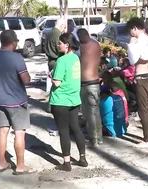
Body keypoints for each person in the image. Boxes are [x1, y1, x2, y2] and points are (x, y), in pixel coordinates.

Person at [0, 30, 33, 175]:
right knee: (19, 133)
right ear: (13, 42)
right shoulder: (16, 58)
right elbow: (26, 80)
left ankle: (2, 163)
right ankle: (20, 166)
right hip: (16, 101)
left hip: (0, 100)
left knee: (3, 131)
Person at [49, 33, 88, 171]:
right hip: (74, 99)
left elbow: (57, 83)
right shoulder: (75, 58)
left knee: (64, 131)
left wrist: (51, 76)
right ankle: (82, 158)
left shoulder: (62, 60)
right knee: (76, 128)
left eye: (60, 43)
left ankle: (66, 162)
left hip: (61, 101)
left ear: (67, 45)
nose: (58, 45)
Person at [126, 17, 148, 148]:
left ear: (134, 28)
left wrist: (130, 44)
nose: (130, 33)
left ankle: (147, 140)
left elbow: (133, 60)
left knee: (142, 108)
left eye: (130, 30)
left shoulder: (139, 41)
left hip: (141, 77)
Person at [77, 28, 103, 147]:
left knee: (89, 113)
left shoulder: (82, 46)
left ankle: (94, 139)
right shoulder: (96, 45)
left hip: (86, 83)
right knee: (95, 112)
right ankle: (99, 138)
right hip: (95, 82)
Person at [43, 18, 66, 93]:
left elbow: (44, 46)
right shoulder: (57, 34)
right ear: (61, 25)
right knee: (58, 86)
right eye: (64, 27)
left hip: (50, 61)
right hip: (57, 61)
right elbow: (60, 48)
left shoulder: (49, 32)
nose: (64, 29)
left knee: (53, 84)